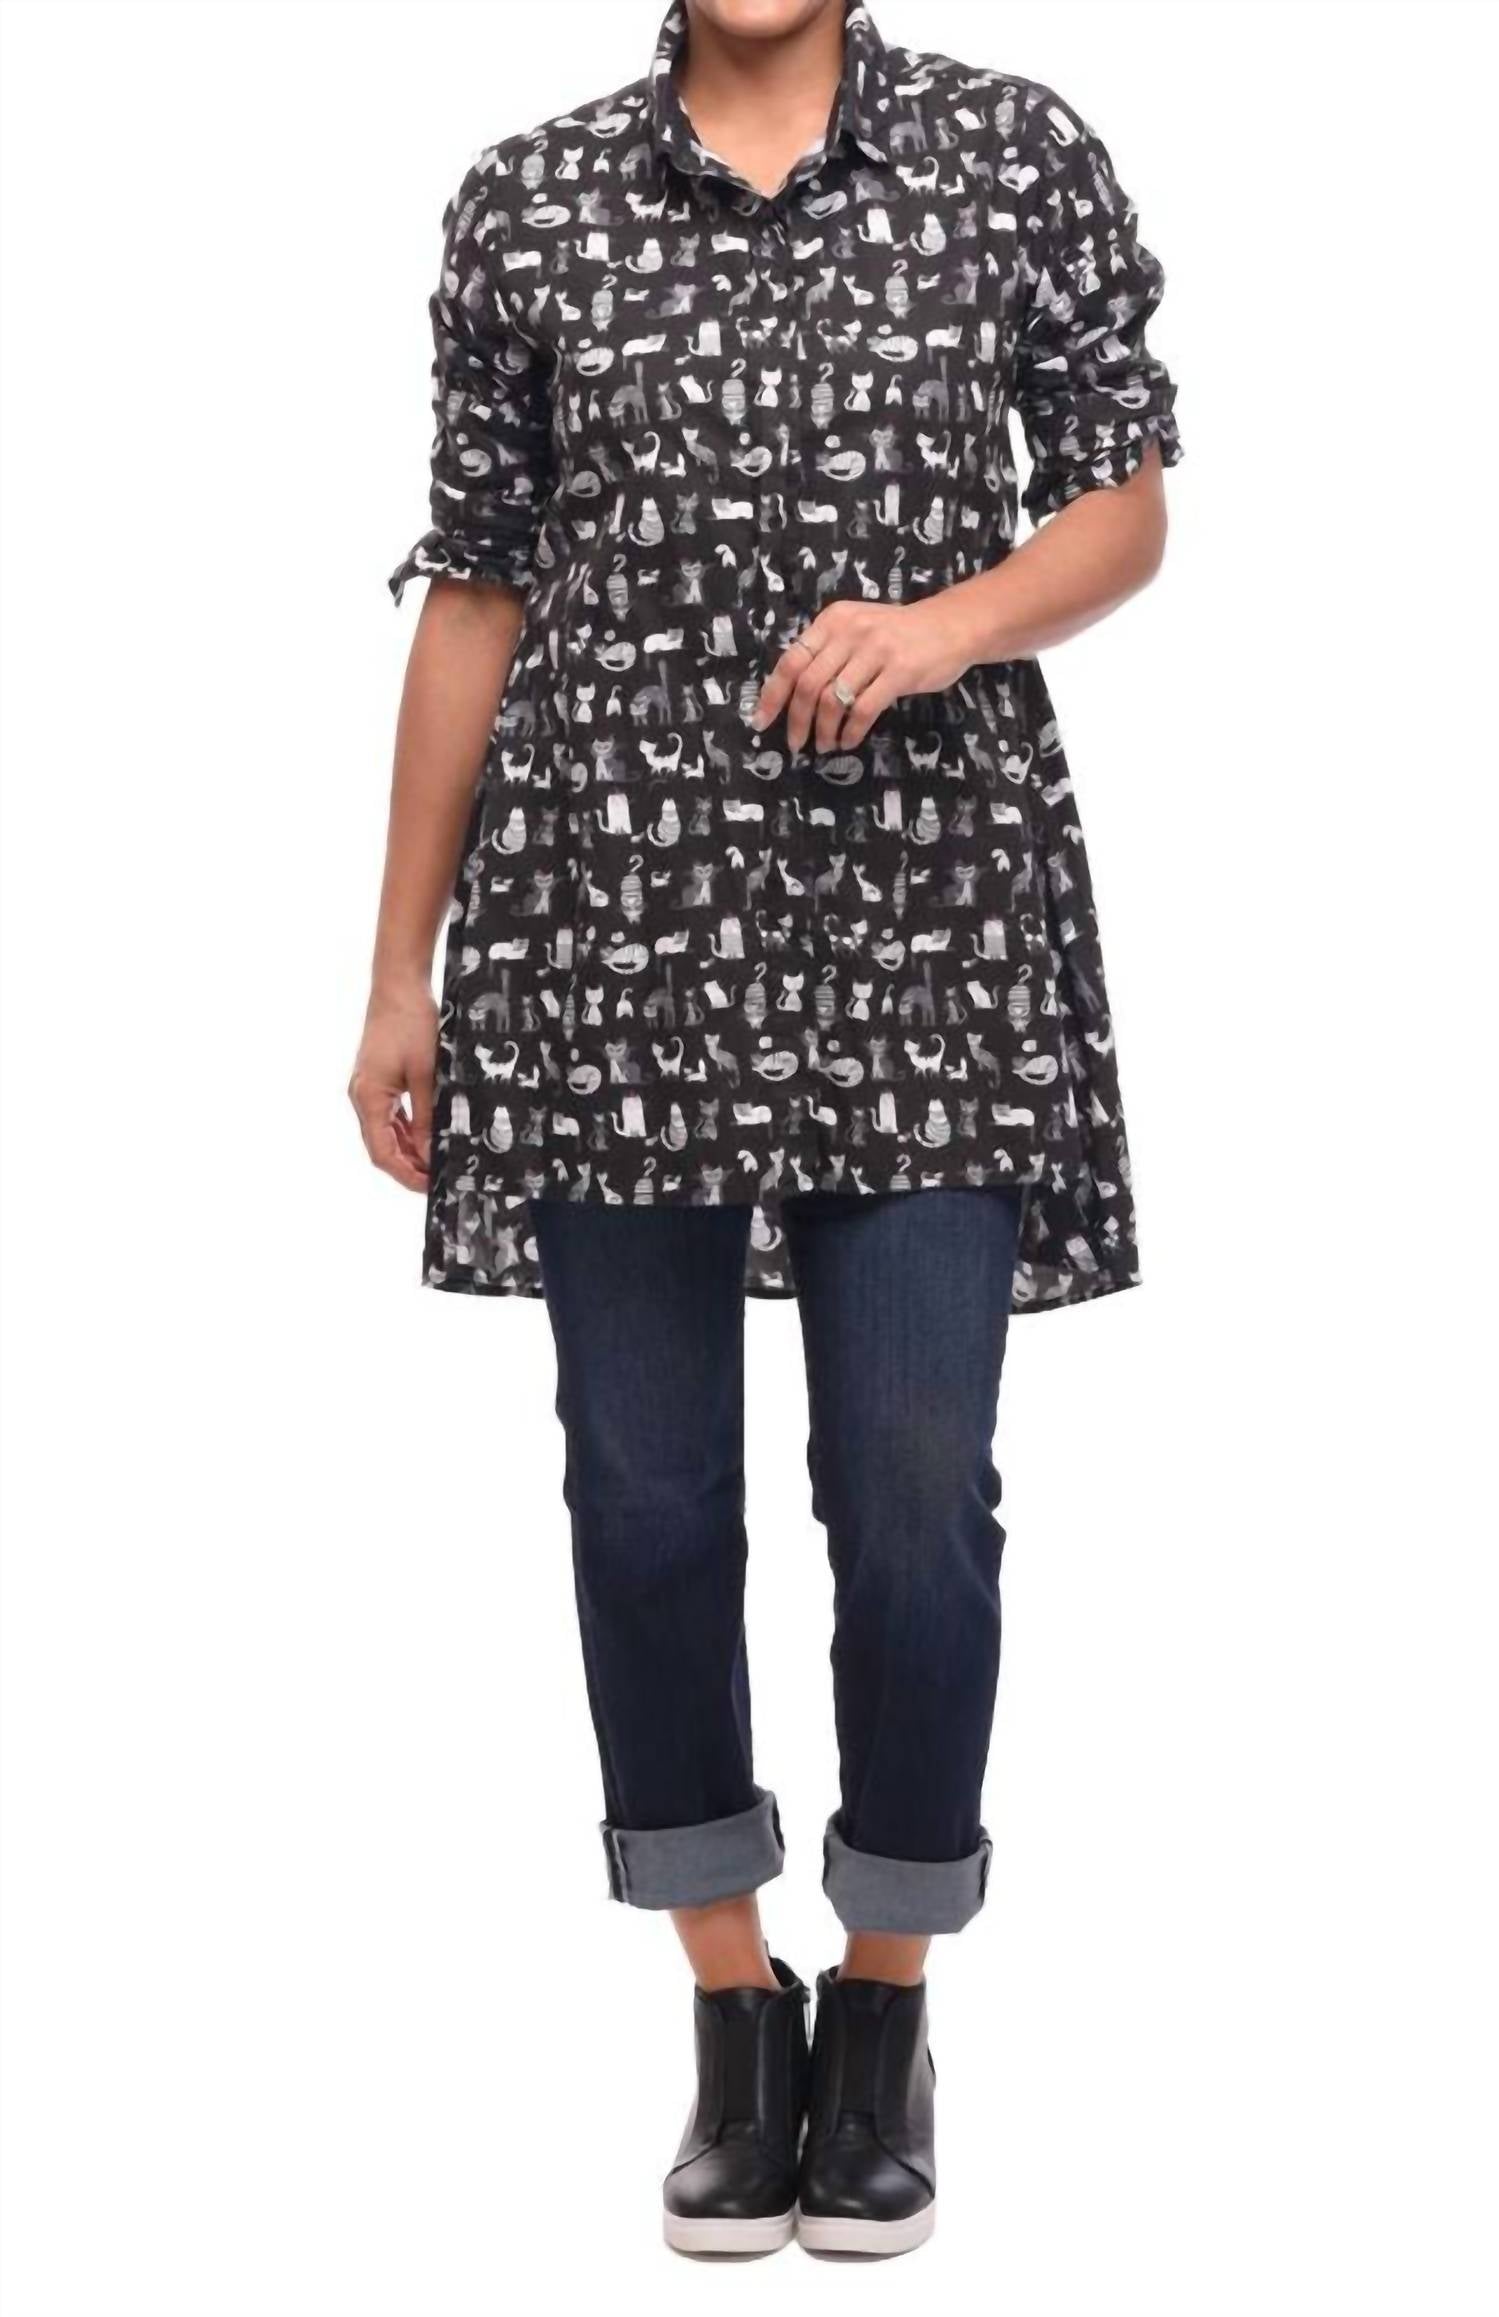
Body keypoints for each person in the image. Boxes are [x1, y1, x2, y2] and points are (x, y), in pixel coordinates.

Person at [350, 0, 1180, 2261]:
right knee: (641, 1502)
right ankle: (733, 2005)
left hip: (927, 933)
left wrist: (945, 625)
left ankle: (886, 1997)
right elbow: (478, 591)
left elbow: (1123, 502)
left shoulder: (1008, 155)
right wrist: (401, 963)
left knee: (914, 1492)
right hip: (606, 943)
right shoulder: (532, 201)